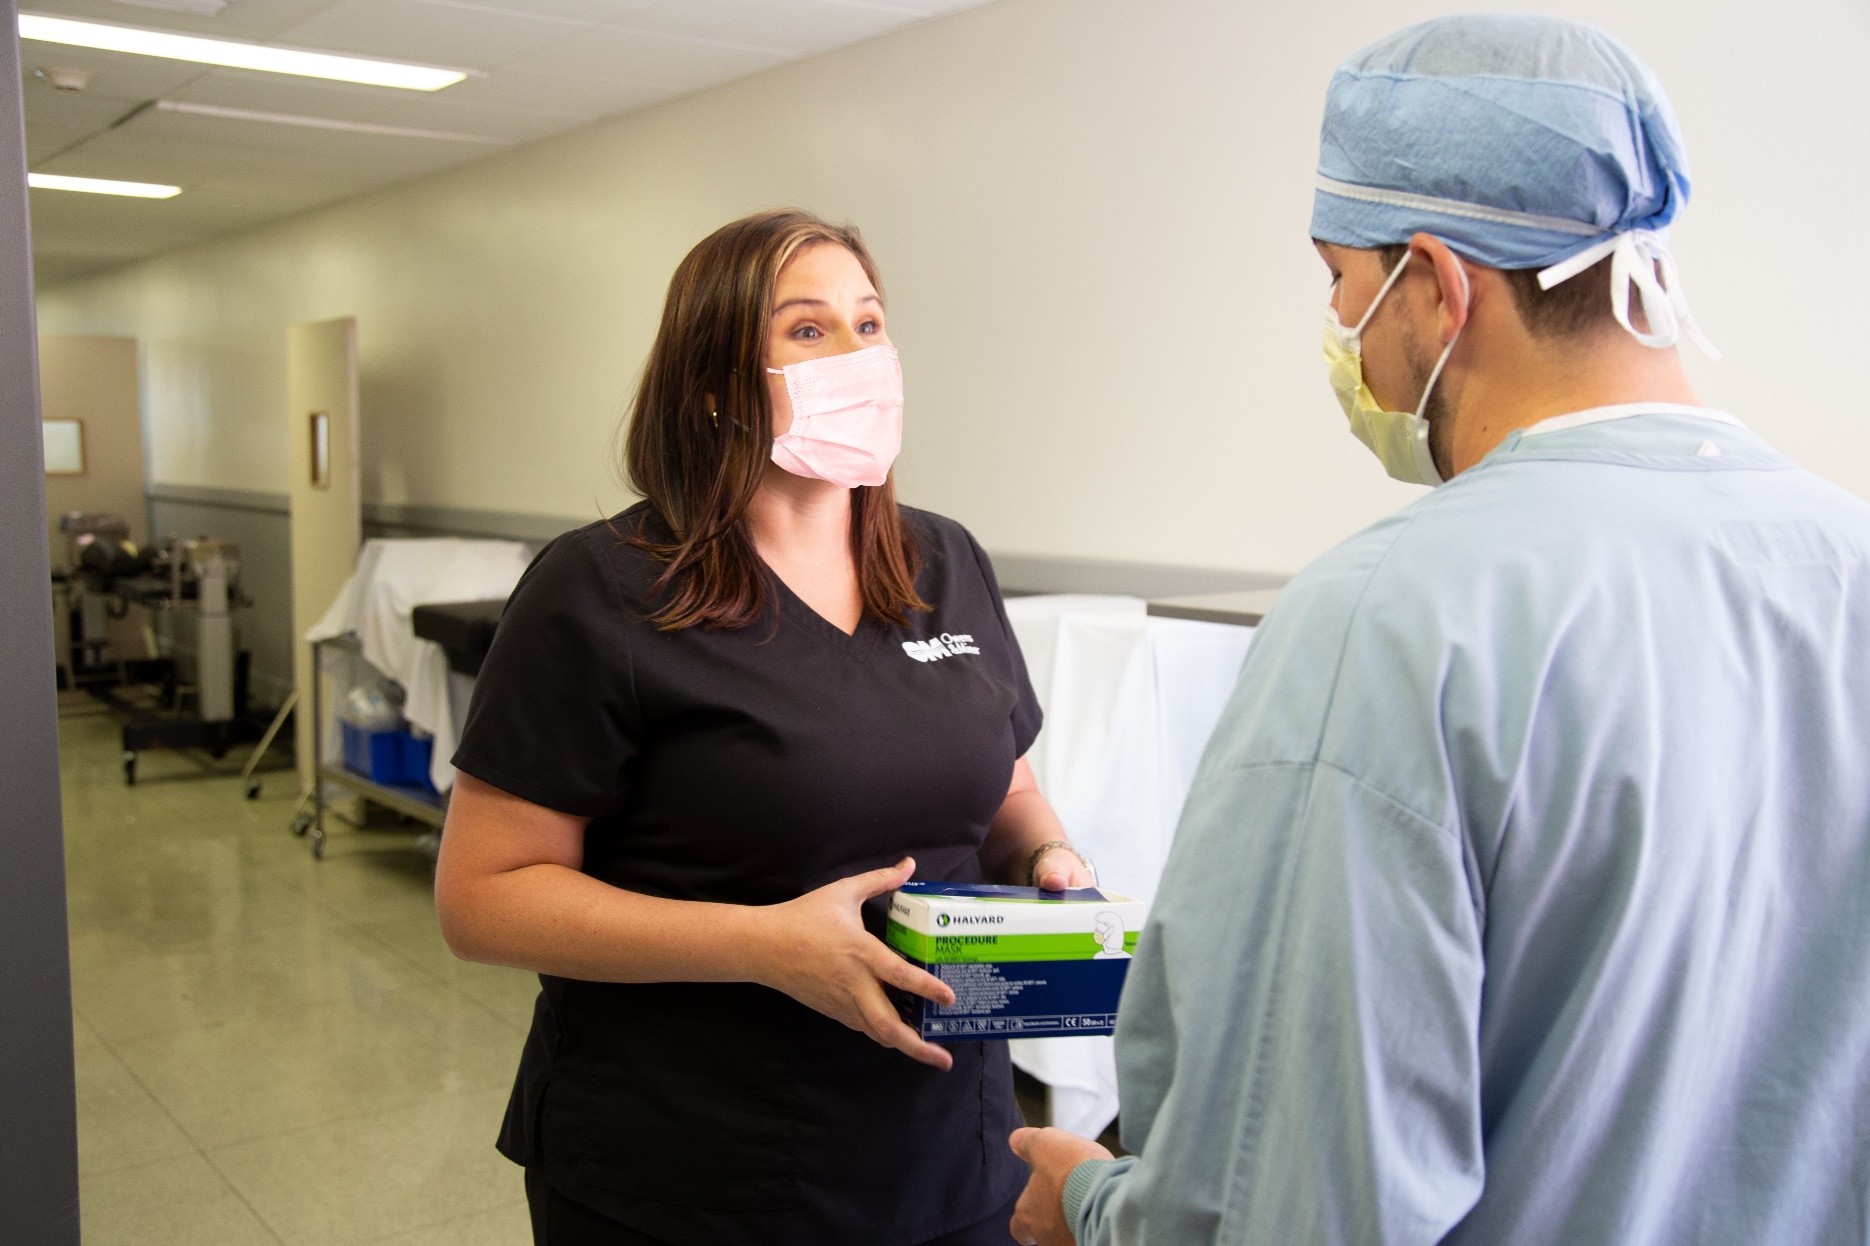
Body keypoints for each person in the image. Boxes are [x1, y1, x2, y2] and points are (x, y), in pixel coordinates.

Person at [1009, 14, 1870, 1245]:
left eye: (1338, 281)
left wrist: (1085, 1205)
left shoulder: (1388, 620)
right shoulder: (1848, 563)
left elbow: (1282, 1202)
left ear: (1434, 283)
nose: (1337, 325)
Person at [433, 208, 1094, 1246]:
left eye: (868, 326)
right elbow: (482, 897)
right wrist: (760, 944)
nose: (857, 356)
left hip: (949, 1156)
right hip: (689, 1171)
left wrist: (1047, 852)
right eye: (807, 330)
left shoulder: (945, 563)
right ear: (712, 384)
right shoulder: (600, 589)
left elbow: (1005, 784)